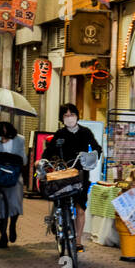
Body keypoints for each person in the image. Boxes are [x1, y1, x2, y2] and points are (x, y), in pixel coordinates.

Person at [47, 103, 100, 252]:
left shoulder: (85, 132)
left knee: (80, 208)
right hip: (63, 173)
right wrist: (42, 160)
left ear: (77, 115)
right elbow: (49, 151)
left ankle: (78, 241)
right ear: (62, 118)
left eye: (72, 114)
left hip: (81, 174)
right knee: (61, 202)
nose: (69, 118)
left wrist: (93, 157)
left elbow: (97, 148)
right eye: (66, 115)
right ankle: (58, 220)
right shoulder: (59, 134)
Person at [0, 121, 25, 245]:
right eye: (2, 133)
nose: (4, 136)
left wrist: (13, 159)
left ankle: (12, 225)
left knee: (15, 202)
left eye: (7, 132)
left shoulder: (20, 140)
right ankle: (3, 235)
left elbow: (24, 159)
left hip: (14, 175)